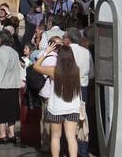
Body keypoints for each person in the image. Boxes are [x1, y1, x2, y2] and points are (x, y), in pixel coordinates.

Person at [33, 41, 81, 157]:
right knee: (71, 137)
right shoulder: (76, 70)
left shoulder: (53, 70)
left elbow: (35, 66)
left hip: (56, 108)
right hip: (73, 107)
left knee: (55, 137)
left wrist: (46, 52)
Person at [64, 27, 94, 157]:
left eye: (64, 36)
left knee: (68, 118)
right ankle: (83, 151)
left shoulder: (65, 51)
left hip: (68, 87)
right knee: (82, 119)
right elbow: (92, 74)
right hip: (83, 88)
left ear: (68, 38)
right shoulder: (86, 52)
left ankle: (70, 150)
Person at [0, 29, 21, 144]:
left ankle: (2, 134)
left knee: (1, 112)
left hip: (2, 86)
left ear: (1, 39)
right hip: (13, 85)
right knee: (11, 112)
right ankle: (12, 134)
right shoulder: (14, 52)